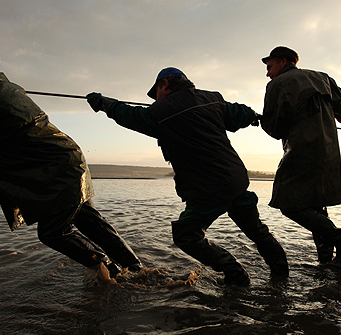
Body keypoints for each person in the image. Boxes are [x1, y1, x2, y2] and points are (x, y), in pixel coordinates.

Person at [0, 36, 142, 279]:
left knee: (53, 233)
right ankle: (138, 270)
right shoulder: (2, 91)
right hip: (66, 166)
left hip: (60, 172)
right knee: (89, 222)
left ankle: (112, 272)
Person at [85, 67, 288, 287]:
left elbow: (130, 115)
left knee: (186, 236)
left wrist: (103, 103)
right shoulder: (212, 98)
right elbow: (238, 112)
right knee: (256, 230)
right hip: (235, 180)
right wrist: (252, 116)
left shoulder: (160, 112)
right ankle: (281, 275)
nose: (156, 99)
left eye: (156, 93)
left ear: (165, 84)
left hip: (206, 189)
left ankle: (235, 272)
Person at [259, 46, 341, 265]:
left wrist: (261, 120)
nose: (267, 73)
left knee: (288, 203)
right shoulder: (322, 78)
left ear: (282, 61)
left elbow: (274, 127)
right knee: (316, 206)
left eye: (269, 66)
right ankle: (326, 261)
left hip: (300, 151)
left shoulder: (277, 84)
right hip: (329, 153)